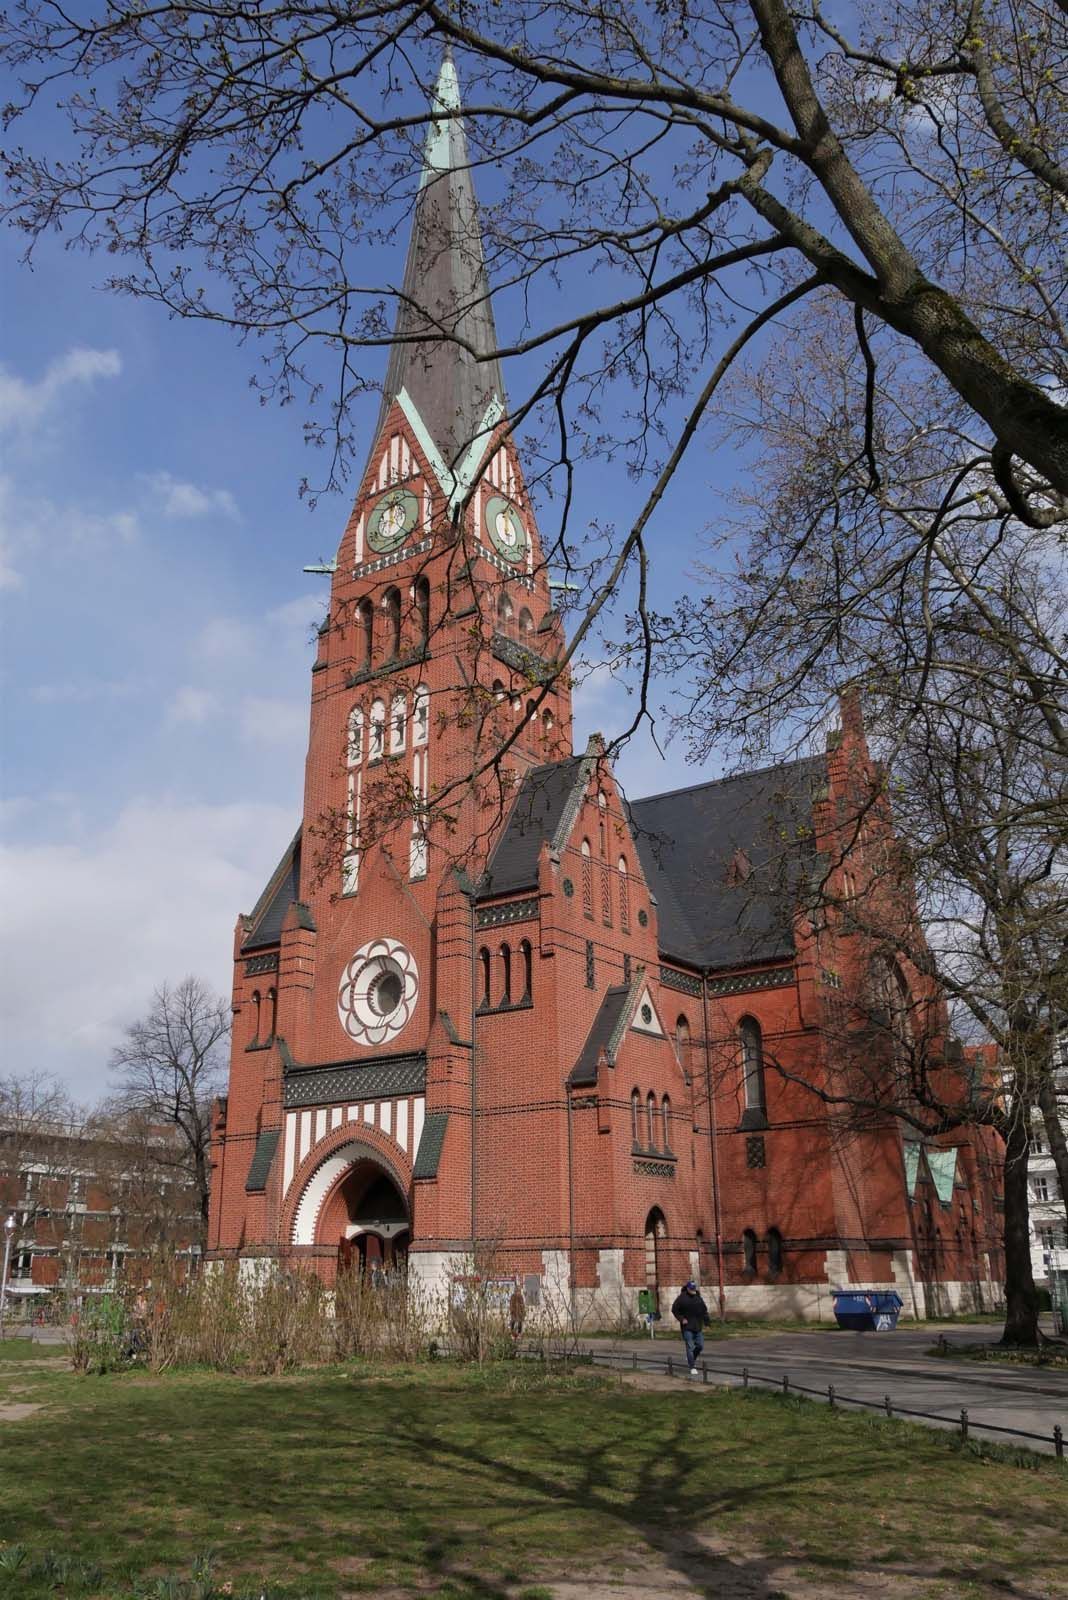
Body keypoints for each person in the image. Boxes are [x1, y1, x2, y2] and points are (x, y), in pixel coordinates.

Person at [671, 1279, 709, 1379]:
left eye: (694, 1289)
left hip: (697, 1326)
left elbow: (704, 1310)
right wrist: (681, 1319)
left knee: (700, 1346)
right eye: (691, 1289)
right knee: (690, 1347)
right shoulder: (681, 1298)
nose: (693, 1291)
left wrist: (707, 1322)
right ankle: (692, 1366)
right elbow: (674, 1309)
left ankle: (690, 1358)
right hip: (687, 1327)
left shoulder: (698, 1297)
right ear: (687, 1288)